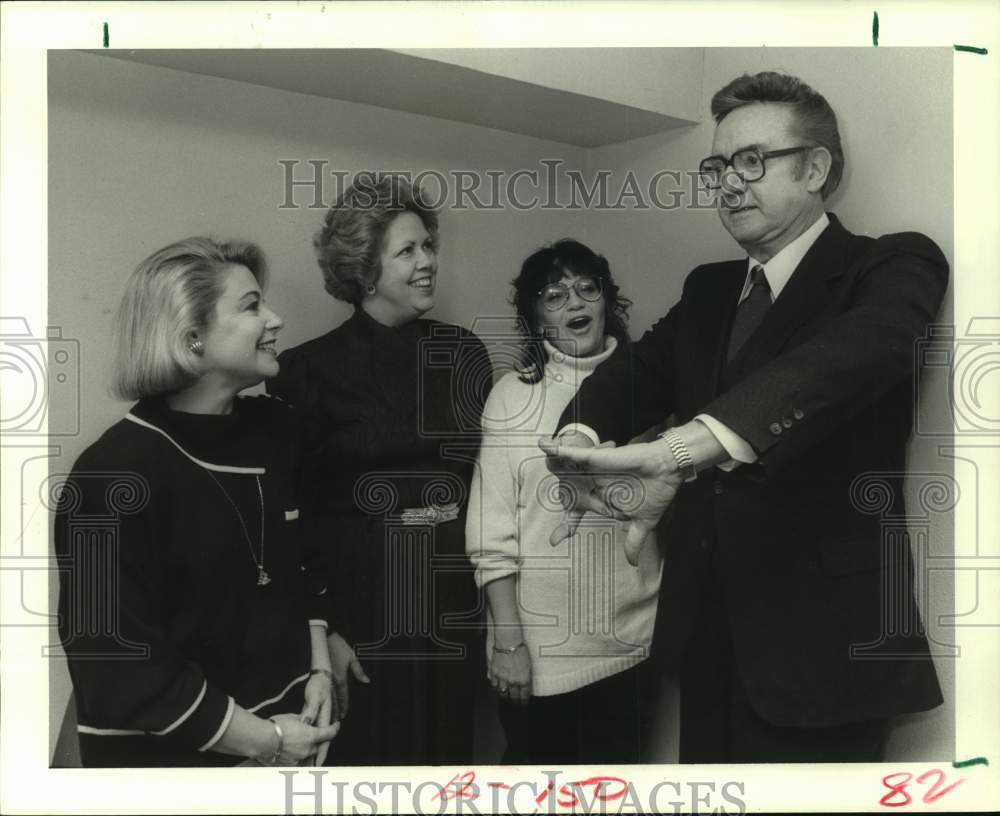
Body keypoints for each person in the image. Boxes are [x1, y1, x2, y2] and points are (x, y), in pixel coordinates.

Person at [540, 71, 946, 763]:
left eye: (753, 160)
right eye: (719, 166)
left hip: (827, 653)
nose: (729, 182)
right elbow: (632, 378)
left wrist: (682, 449)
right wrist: (574, 444)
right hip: (705, 637)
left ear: (815, 168)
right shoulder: (709, 287)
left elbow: (856, 354)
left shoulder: (890, 264)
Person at [55, 237, 342, 767]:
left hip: (292, 735)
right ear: (192, 338)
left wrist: (318, 668)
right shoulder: (111, 474)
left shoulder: (277, 431)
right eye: (253, 306)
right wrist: (268, 741)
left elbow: (304, 563)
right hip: (177, 765)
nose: (276, 319)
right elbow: (118, 663)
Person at [267, 173, 492, 765]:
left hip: (450, 596)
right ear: (364, 271)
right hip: (362, 607)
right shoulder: (304, 372)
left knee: (448, 761)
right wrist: (326, 634)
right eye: (407, 251)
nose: (428, 263)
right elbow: (292, 520)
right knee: (372, 765)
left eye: (429, 246)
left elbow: (490, 483)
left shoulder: (464, 353)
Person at [466, 240, 662, 764]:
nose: (575, 303)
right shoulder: (514, 395)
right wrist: (508, 644)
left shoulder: (653, 385)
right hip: (541, 651)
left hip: (633, 642)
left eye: (586, 288)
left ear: (606, 301)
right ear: (535, 318)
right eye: (554, 296)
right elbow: (490, 532)